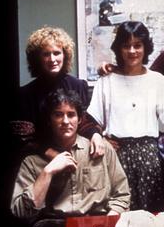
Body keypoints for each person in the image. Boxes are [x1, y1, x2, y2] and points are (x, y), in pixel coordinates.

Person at [10, 89, 130, 227]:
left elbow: (122, 195)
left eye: (71, 115)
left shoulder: (101, 149)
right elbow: (20, 211)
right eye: (58, 115)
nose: (65, 121)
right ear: (49, 120)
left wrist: (109, 225)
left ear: (79, 119)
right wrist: (47, 172)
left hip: (98, 226)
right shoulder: (33, 161)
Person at [87, 21, 164, 211]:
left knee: (149, 215)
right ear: (118, 48)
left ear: (145, 48)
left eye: (137, 45)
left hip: (149, 156)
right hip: (116, 155)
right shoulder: (107, 80)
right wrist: (101, 137)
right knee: (117, 213)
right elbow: (91, 121)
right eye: (126, 45)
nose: (132, 51)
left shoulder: (156, 80)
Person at [13, 26, 105, 159]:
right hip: (39, 158)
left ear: (65, 55)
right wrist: (51, 153)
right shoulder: (25, 94)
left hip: (76, 155)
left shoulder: (79, 86)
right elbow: (22, 139)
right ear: (37, 58)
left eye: (56, 53)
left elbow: (84, 121)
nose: (52, 59)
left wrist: (95, 135)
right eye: (46, 54)